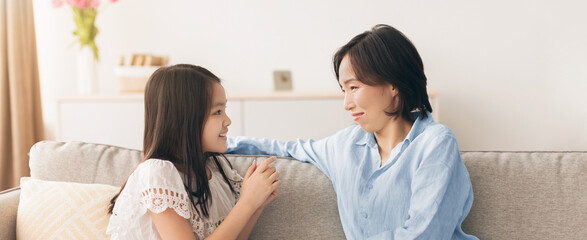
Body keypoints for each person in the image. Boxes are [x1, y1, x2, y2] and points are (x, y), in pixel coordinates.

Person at [226, 24, 478, 239]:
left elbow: (424, 235)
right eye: (343, 90)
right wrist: (210, 141)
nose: (346, 104)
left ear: (393, 84)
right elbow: (283, 149)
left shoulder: (436, 143)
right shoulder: (344, 145)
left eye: (354, 87)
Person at [107, 64, 281, 240]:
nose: (227, 121)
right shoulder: (157, 173)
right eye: (217, 112)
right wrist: (247, 203)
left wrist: (257, 205)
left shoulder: (216, 169)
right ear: (183, 119)